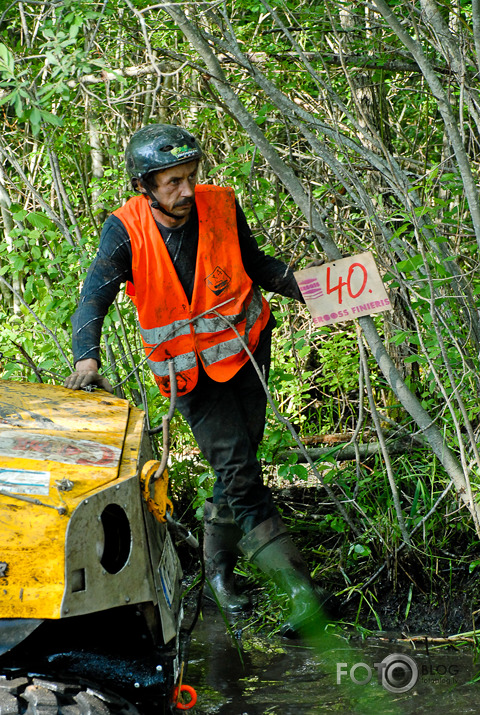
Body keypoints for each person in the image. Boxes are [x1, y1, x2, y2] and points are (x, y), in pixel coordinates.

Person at [65, 124, 337, 637]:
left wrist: (332, 294)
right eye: (173, 181)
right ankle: (302, 591)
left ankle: (217, 575)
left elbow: (259, 267)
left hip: (248, 351)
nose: (187, 190)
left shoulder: (222, 206)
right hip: (189, 375)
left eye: (191, 176)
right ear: (145, 184)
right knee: (237, 470)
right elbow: (92, 298)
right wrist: (87, 361)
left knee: (237, 465)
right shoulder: (123, 231)